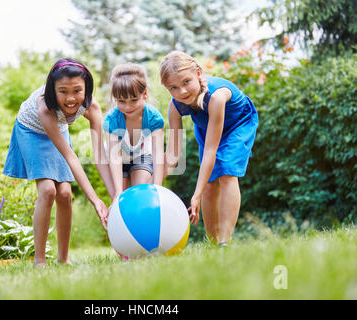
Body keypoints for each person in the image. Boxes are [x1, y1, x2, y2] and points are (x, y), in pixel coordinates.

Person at [3, 58, 114, 267]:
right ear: (52, 90)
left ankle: (63, 259)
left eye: (77, 91)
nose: (70, 98)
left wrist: (112, 196)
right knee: (48, 190)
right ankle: (39, 260)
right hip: (31, 130)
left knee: (64, 193)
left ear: (86, 89)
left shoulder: (91, 107)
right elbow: (71, 156)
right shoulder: (45, 107)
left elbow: (100, 154)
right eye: (63, 91)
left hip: (58, 129)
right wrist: (94, 199)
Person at [159, 51, 258, 246]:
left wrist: (195, 195)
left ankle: (224, 242)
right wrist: (153, 184)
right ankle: (212, 243)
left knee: (226, 171)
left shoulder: (217, 97)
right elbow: (172, 155)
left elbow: (211, 151)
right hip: (207, 127)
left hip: (238, 124)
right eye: (173, 87)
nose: (182, 92)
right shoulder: (175, 107)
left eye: (186, 82)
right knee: (210, 184)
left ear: (198, 73)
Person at [103, 63, 165, 199]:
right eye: (121, 101)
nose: (128, 106)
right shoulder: (112, 120)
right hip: (117, 160)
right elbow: (115, 157)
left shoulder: (154, 118)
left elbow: (158, 154)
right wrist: (118, 192)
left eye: (134, 100)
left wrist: (158, 186)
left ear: (145, 94)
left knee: (140, 192)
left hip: (141, 156)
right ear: (115, 98)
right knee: (123, 197)